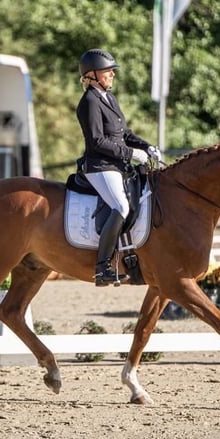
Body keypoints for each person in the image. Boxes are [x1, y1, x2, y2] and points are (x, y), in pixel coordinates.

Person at [75, 48, 162, 286]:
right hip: (99, 166)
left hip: (116, 165)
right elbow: (97, 141)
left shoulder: (108, 98)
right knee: (121, 206)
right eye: (108, 71)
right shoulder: (90, 102)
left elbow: (124, 133)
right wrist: (131, 153)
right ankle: (102, 267)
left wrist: (146, 146)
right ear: (92, 75)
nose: (113, 74)